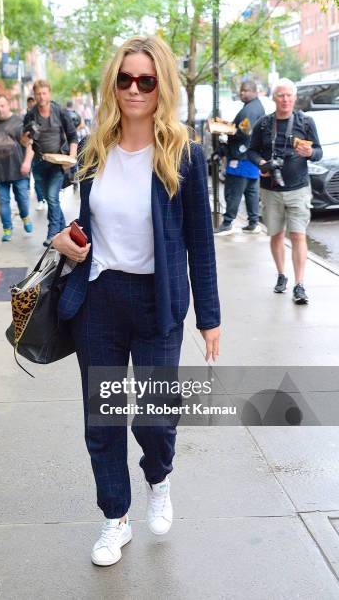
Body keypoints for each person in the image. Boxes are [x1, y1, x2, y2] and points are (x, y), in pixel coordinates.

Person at [52, 35, 220, 567]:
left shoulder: (185, 155)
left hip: (158, 301)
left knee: (152, 416)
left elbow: (201, 240)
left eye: (145, 80)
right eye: (124, 79)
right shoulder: (92, 149)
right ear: (113, 83)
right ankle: (114, 519)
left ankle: (159, 476)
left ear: (161, 85)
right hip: (99, 298)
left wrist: (209, 317)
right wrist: (62, 239)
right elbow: (76, 218)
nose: (133, 89)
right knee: (102, 418)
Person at [248, 78, 322, 304]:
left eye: (289, 95)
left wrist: (309, 153)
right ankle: (282, 275)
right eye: (281, 95)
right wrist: (262, 164)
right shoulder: (263, 124)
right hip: (271, 191)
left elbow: (318, 152)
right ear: (273, 98)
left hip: (298, 188)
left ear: (295, 97)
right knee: (276, 234)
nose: (285, 99)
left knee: (298, 235)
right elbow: (251, 152)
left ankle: (299, 285)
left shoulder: (306, 122)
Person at [21, 80, 78, 247]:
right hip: (39, 163)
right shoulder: (30, 115)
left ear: (49, 94)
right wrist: (25, 138)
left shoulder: (59, 111)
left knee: (52, 197)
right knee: (49, 198)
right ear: (35, 95)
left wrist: (71, 158)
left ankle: (52, 234)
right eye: (38, 94)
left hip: (57, 163)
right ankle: (63, 228)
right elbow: (25, 141)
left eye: (44, 93)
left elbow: (73, 136)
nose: (41, 97)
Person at [215, 81, 265, 235]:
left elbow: (243, 132)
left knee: (234, 190)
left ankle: (228, 223)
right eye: (241, 90)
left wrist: (224, 129)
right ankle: (253, 222)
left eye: (245, 90)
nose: (242, 93)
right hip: (251, 156)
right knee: (251, 191)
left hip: (241, 156)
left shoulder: (250, 110)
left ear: (254, 92)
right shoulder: (255, 107)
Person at [0, 95, 33, 242]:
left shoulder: (19, 121)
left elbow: (30, 143)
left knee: (22, 199)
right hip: (0, 172)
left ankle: (25, 216)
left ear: (8, 105)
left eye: (2, 106)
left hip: (19, 169)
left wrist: (27, 163)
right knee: (3, 201)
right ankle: (7, 229)